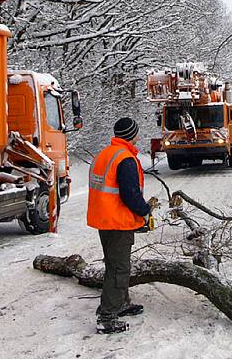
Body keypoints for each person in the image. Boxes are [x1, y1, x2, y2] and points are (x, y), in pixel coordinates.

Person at [87, 117, 158, 334]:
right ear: (131, 134)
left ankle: (121, 302)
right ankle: (107, 316)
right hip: (117, 222)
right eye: (136, 131)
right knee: (119, 269)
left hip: (104, 219)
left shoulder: (105, 154)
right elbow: (130, 195)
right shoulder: (125, 159)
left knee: (115, 265)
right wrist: (145, 211)